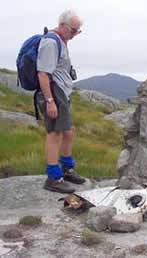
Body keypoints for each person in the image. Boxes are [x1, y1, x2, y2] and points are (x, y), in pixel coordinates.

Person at [36, 9, 85, 193]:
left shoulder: (62, 41)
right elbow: (42, 74)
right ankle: (53, 178)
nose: (74, 34)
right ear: (62, 25)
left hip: (62, 94)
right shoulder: (51, 42)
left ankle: (67, 168)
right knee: (54, 133)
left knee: (69, 130)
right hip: (53, 92)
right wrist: (50, 101)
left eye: (77, 31)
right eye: (73, 30)